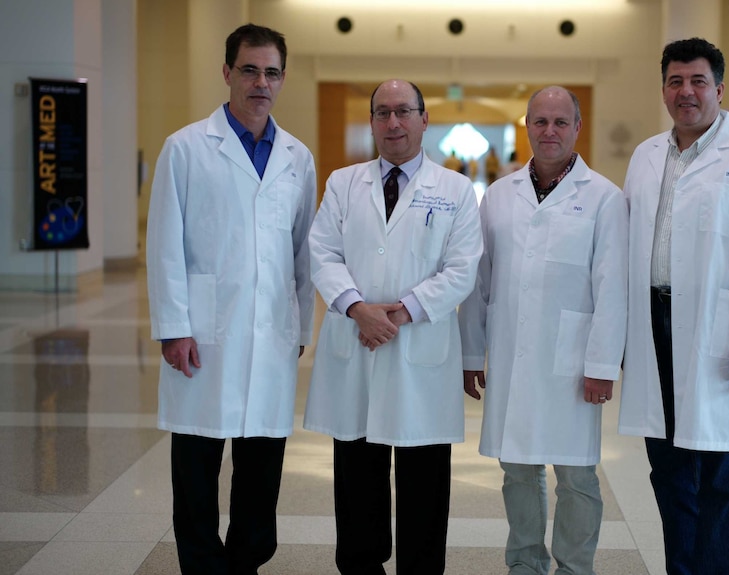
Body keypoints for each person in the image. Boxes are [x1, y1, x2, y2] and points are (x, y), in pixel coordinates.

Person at [618, 37, 729, 575]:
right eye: (675, 81)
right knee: (669, 472)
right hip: (655, 324)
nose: (686, 92)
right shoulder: (647, 154)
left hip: (721, 334)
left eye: (698, 81)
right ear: (664, 90)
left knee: (723, 475)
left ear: (719, 89)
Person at [146, 23, 316, 575]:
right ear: (227, 73)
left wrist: (299, 329)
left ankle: (245, 562)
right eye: (249, 70)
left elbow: (302, 254)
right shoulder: (187, 147)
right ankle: (200, 564)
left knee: (261, 469)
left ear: (282, 80)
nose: (260, 82)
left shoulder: (297, 157)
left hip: (271, 330)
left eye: (271, 73)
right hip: (203, 330)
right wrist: (174, 327)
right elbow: (164, 244)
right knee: (196, 464)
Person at [304, 79, 483, 574]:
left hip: (418, 349)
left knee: (425, 480)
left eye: (404, 112)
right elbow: (323, 253)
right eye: (382, 113)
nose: (393, 123)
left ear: (425, 120)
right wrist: (358, 308)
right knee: (357, 477)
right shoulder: (343, 182)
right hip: (356, 341)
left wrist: (399, 312)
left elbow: (462, 268)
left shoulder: (454, 190)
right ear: (372, 121)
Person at [459, 86, 627, 575]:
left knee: (576, 475)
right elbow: (479, 284)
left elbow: (612, 289)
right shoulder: (498, 195)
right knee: (517, 469)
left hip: (572, 363)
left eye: (560, 122)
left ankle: (575, 567)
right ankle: (525, 563)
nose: (549, 131)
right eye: (540, 122)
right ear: (526, 127)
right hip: (512, 355)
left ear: (577, 128)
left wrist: (600, 365)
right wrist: (472, 355)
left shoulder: (605, 198)